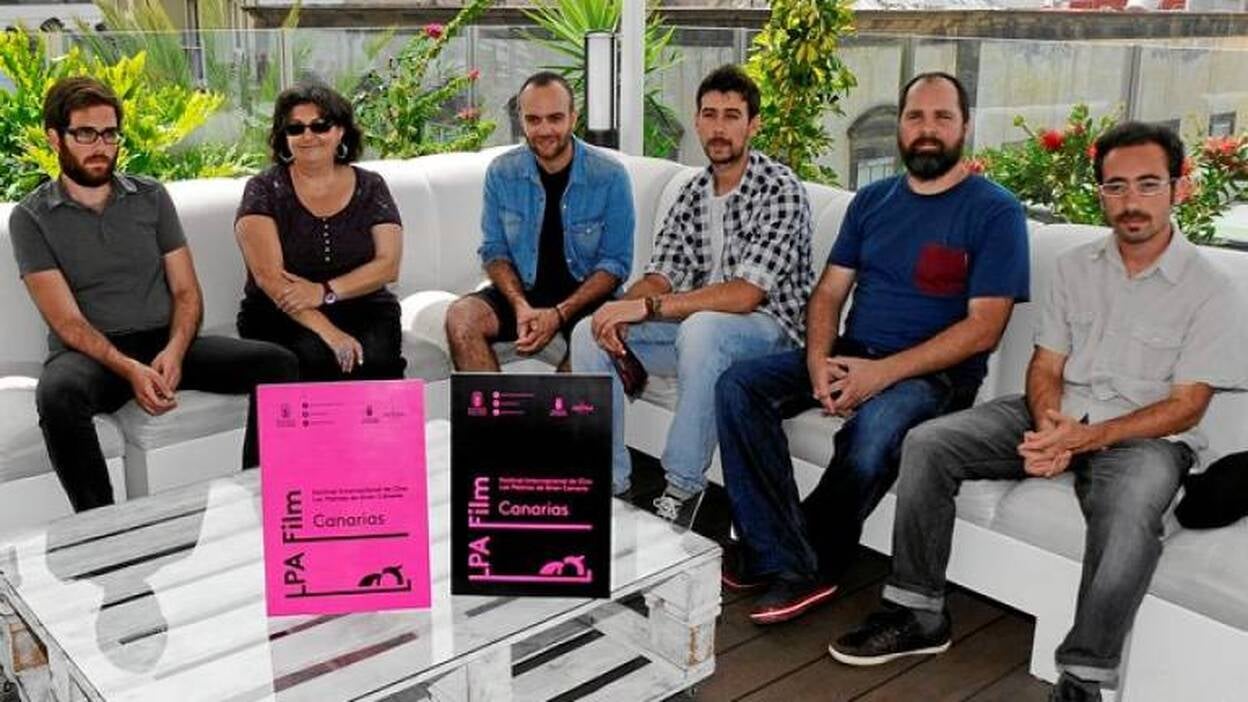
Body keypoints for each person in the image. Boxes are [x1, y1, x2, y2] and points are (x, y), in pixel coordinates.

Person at [830, 121, 1247, 702]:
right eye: (1116, 186)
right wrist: (1052, 425)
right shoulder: (1076, 267)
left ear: (1179, 188)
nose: (1131, 201)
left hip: (1144, 437)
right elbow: (1045, 366)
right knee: (928, 442)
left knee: (1130, 514)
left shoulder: (1211, 288)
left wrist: (1080, 440)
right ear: (1101, 193)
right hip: (1053, 413)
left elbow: (1185, 407)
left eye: (1148, 184)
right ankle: (918, 612)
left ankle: (1083, 678)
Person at [715, 72, 1030, 624]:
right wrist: (818, 361)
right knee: (739, 386)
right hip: (854, 349)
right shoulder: (873, 201)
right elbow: (828, 293)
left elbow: (984, 328)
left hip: (935, 377)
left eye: (942, 117)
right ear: (900, 126)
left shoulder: (995, 211)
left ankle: (804, 564)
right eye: (915, 117)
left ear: (966, 126)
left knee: (873, 433)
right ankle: (780, 550)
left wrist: (879, 375)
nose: (927, 129)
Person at [8, 77, 299, 512]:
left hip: (164, 342)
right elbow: (66, 321)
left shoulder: (151, 197)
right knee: (58, 396)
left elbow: (186, 291)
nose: (100, 146)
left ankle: (263, 501)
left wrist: (176, 352)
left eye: (109, 133)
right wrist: (130, 370)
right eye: (85, 134)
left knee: (278, 364)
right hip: (92, 355)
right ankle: (104, 528)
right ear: (55, 138)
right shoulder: (31, 217)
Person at [571, 65, 814, 526]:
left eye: (732, 116)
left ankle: (683, 486)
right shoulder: (692, 192)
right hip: (698, 335)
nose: (719, 127)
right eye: (709, 114)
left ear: (753, 124)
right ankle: (610, 482)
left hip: (773, 339)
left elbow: (746, 295)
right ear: (698, 121)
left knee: (702, 329)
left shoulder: (780, 189)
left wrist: (648, 307)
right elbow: (661, 275)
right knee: (589, 331)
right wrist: (621, 311)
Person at [444, 72, 634, 371]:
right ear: (521, 121)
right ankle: (493, 403)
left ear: (573, 118)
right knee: (461, 317)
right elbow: (494, 251)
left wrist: (559, 313)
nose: (545, 130)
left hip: (586, 297)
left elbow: (615, 264)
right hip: (523, 291)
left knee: (594, 340)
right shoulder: (502, 172)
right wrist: (520, 305)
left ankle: (557, 403)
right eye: (533, 120)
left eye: (555, 118)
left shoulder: (610, 175)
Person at [235, 82, 406, 381]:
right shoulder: (263, 190)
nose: (308, 136)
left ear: (340, 131)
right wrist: (330, 333)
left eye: (320, 126)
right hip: (283, 313)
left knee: (377, 358)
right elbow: (269, 278)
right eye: (295, 128)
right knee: (314, 356)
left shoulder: (371, 186)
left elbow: (388, 265)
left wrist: (324, 292)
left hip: (364, 306)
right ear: (284, 137)